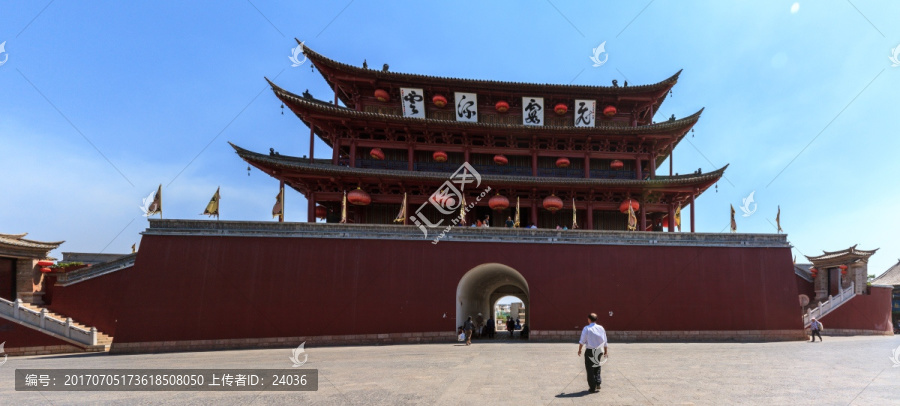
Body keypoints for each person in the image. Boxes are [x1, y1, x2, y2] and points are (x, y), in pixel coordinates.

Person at [577, 313, 608, 393]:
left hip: (590, 351)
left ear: (589, 319)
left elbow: (582, 341)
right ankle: (598, 382)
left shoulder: (587, 328)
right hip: (599, 350)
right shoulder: (601, 328)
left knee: (589, 369)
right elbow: (605, 341)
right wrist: (606, 352)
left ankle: (592, 387)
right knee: (597, 366)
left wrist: (579, 350)